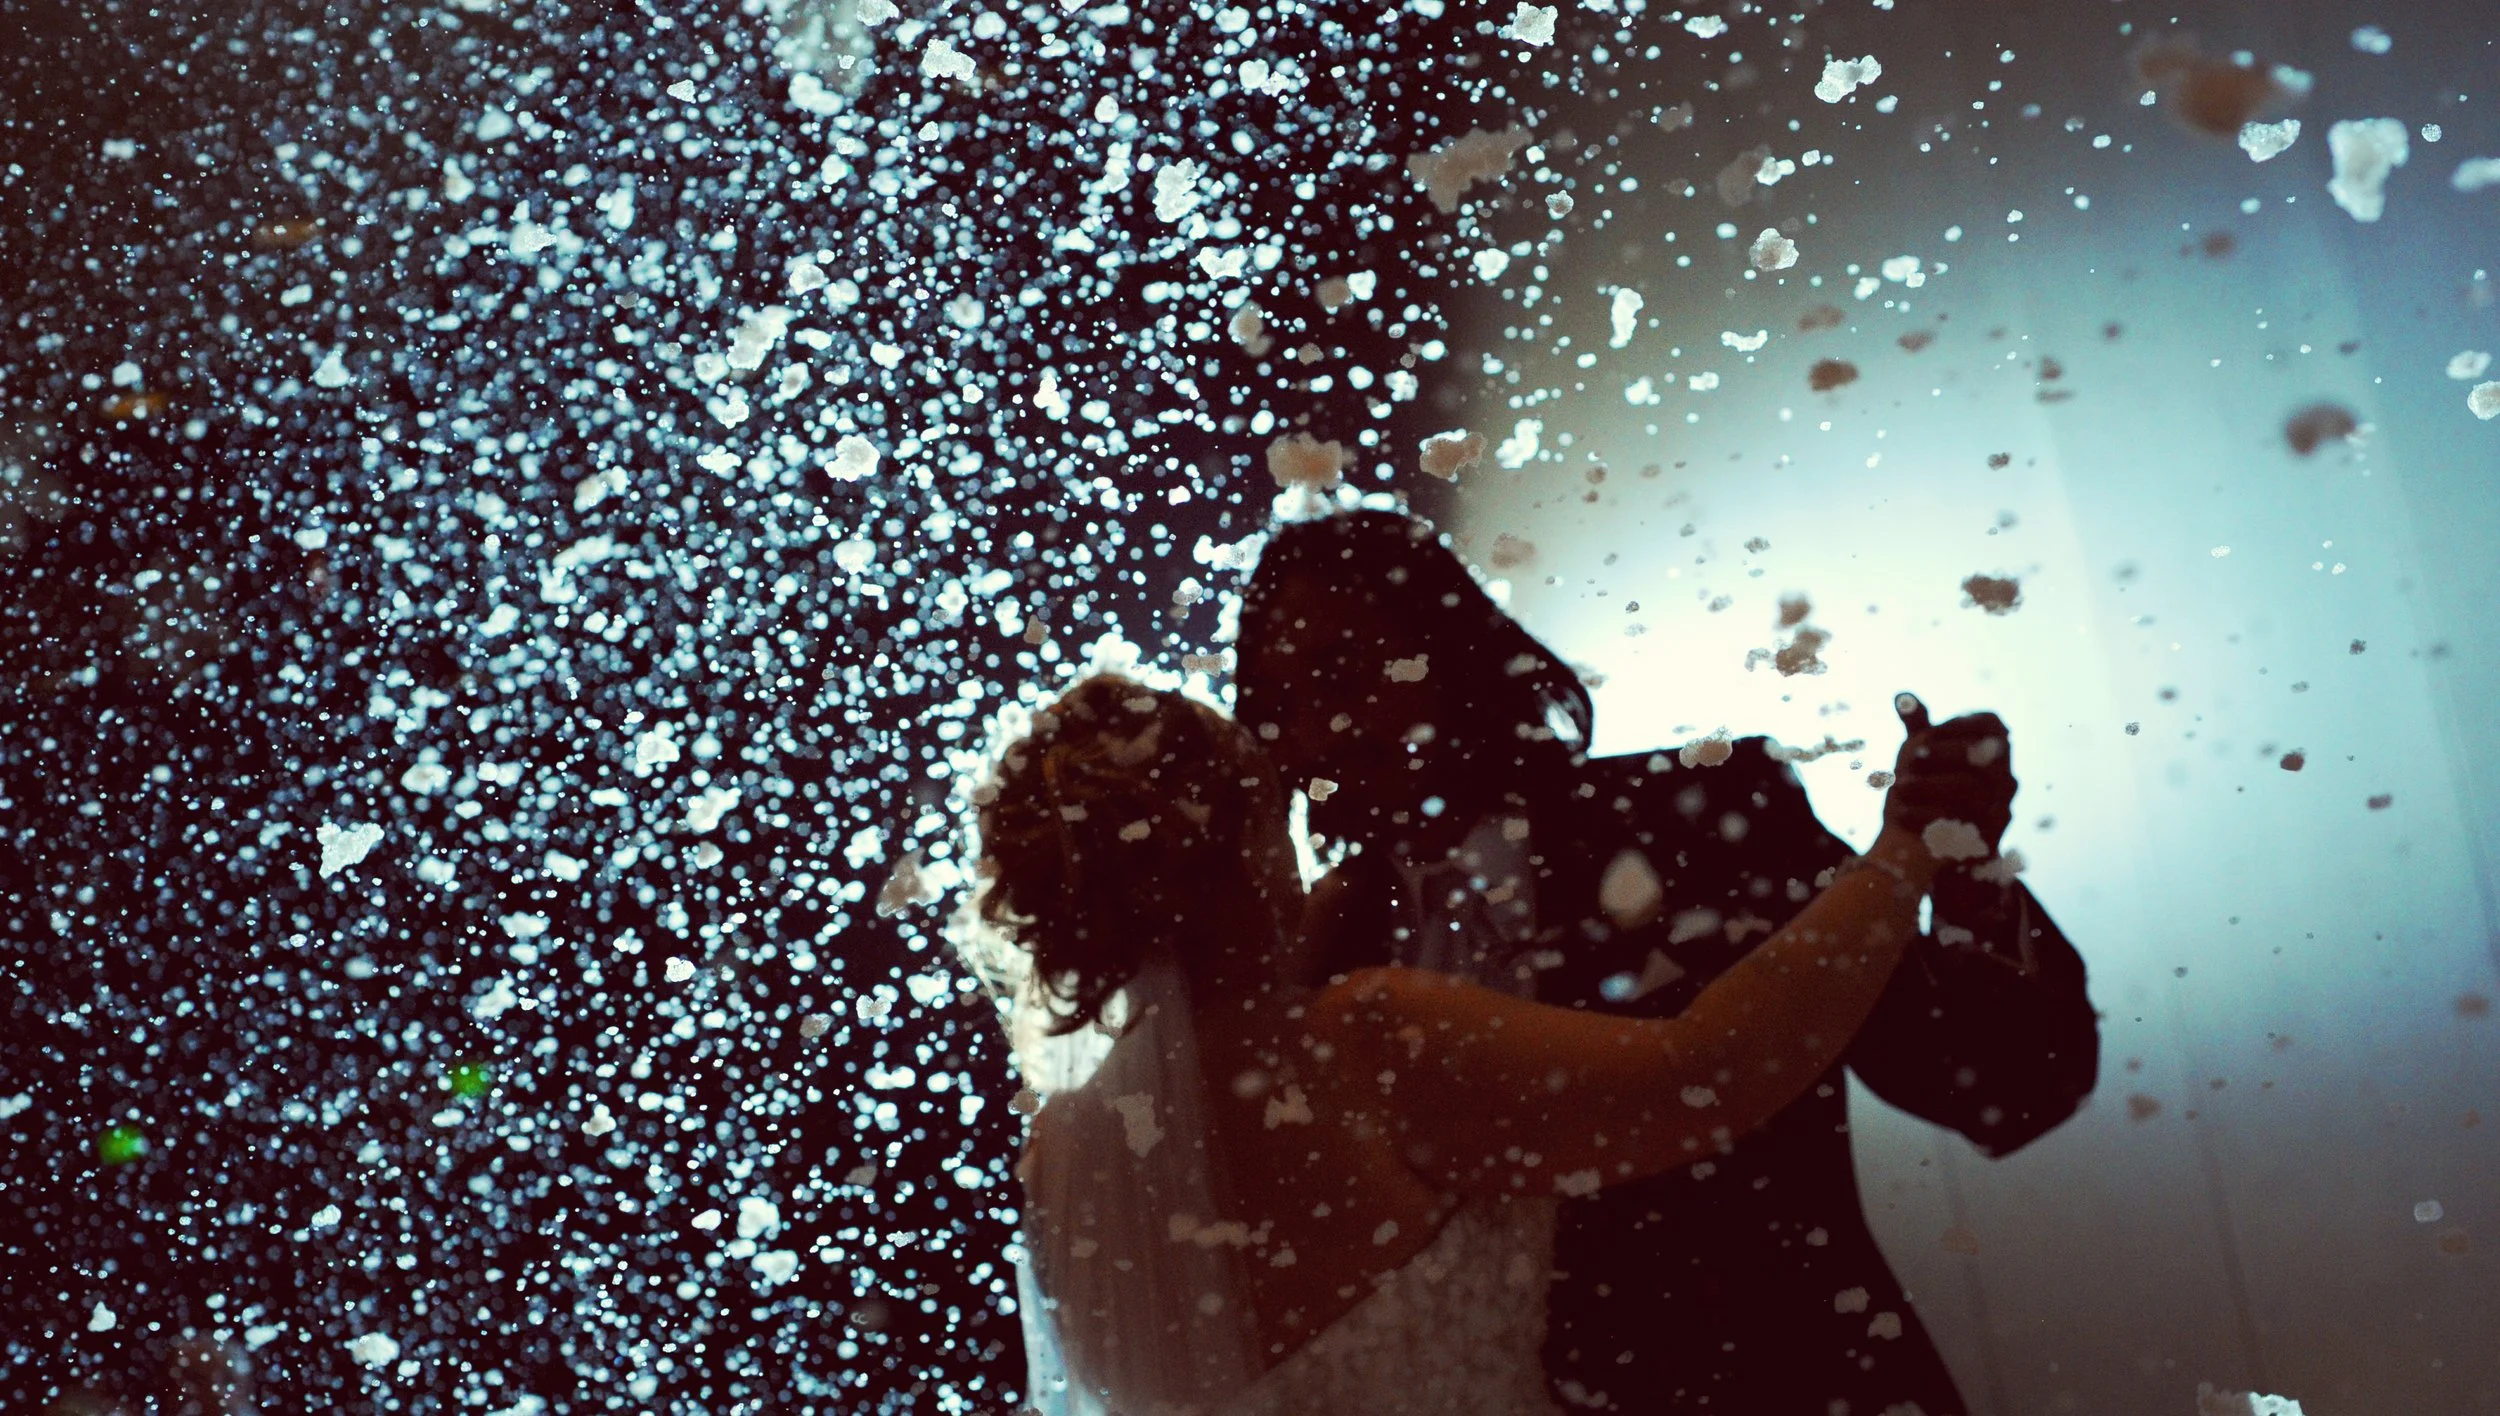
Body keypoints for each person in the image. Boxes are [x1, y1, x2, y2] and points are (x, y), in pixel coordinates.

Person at [1232, 510, 2099, 1416]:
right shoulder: (1324, 953)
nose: (1313, 735)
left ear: (1451, 651)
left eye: (1342, 674)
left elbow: (2008, 1089)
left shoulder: (1699, 817)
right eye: (1277, 705)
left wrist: (1966, 886)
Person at [964, 670, 2018, 1415]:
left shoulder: (1062, 1154)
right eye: (1276, 822)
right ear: (1238, 852)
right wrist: (1900, 859)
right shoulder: (1361, 1044)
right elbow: (1702, 1074)